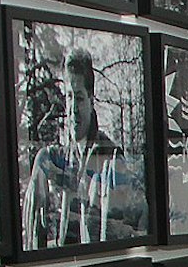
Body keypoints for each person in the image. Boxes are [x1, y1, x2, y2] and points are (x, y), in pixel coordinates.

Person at [23, 50, 122, 251]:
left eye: (79, 97)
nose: (73, 108)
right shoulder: (57, 159)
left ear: (91, 100)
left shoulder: (110, 158)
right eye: (69, 97)